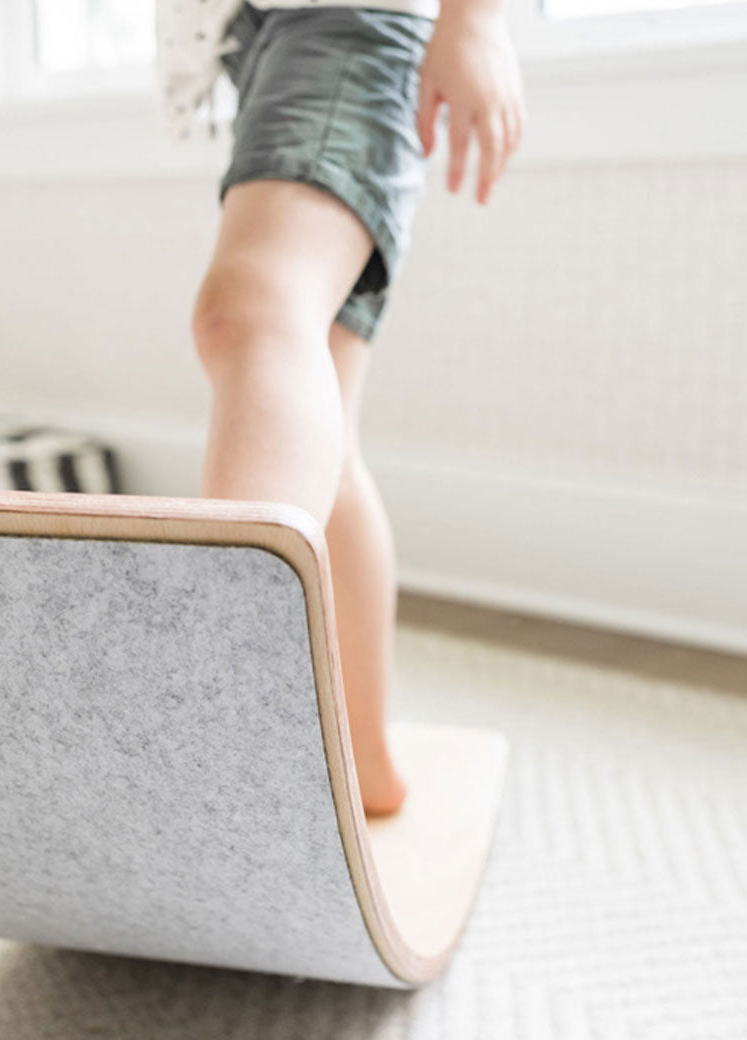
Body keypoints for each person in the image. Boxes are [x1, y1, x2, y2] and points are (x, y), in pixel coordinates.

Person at [156, 0, 525, 815]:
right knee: (326, 417)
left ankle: (210, 710)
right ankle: (362, 760)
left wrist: (476, 18)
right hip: (257, 35)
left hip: (348, 12)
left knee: (250, 307)